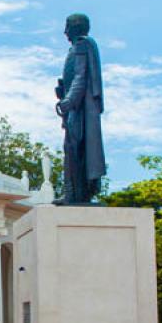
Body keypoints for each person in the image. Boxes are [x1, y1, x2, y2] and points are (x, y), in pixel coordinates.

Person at [55, 13, 106, 204]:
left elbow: (80, 77)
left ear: (75, 27)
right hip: (76, 108)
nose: (65, 31)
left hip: (79, 109)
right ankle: (74, 192)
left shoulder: (82, 45)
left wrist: (68, 100)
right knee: (73, 148)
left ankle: (74, 194)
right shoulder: (78, 48)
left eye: (67, 26)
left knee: (74, 148)